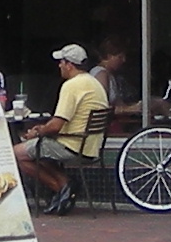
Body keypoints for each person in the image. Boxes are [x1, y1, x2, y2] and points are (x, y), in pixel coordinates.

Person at [15, 43, 110, 215]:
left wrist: (36, 132)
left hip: (73, 145)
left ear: (69, 65)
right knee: (38, 150)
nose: (59, 65)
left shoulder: (72, 85)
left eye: (61, 62)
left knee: (17, 154)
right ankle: (64, 185)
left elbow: (57, 125)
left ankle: (62, 187)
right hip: (90, 146)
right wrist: (41, 131)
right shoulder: (93, 83)